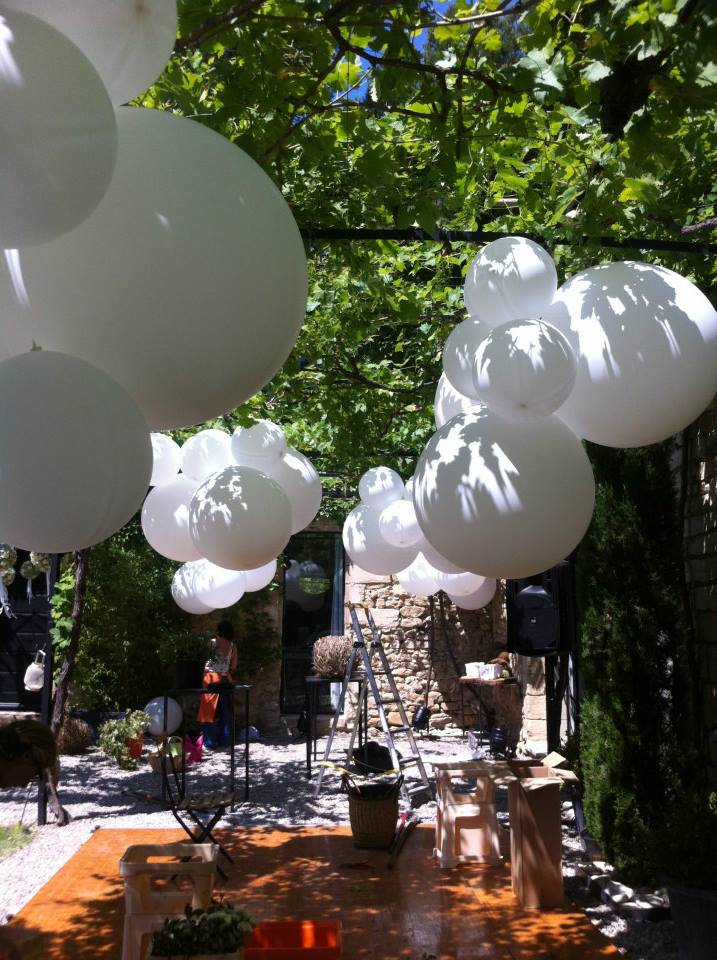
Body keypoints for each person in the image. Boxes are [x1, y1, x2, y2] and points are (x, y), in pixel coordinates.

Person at [197, 620, 237, 749]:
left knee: (208, 711)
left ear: (219, 630)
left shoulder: (213, 643)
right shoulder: (232, 645)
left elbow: (202, 660)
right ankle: (225, 740)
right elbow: (234, 665)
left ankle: (210, 742)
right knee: (225, 711)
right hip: (225, 679)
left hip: (211, 678)